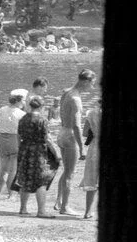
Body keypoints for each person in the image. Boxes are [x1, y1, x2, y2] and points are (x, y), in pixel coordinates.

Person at [55, 69, 96, 215]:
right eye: (91, 84)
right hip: (70, 136)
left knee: (66, 171)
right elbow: (77, 125)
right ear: (85, 81)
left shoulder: (67, 92)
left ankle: (58, 201)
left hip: (61, 133)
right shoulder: (76, 99)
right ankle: (64, 207)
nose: (92, 88)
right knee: (70, 174)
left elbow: (60, 112)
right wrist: (82, 147)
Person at [14, 95, 58, 218]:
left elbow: (18, 136)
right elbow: (47, 139)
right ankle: (41, 211)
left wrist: (21, 149)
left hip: (24, 149)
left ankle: (23, 208)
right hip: (38, 151)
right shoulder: (42, 120)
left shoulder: (23, 118)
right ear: (42, 107)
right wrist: (56, 153)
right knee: (41, 180)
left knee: (24, 178)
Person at [0, 89, 27, 199]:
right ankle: (11, 195)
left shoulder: (1, 109)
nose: (24, 102)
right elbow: (24, 132)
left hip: (2, 138)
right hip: (14, 139)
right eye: (23, 100)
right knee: (13, 170)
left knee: (2, 169)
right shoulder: (22, 114)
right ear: (19, 101)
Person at [80, 99, 101, 219]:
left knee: (92, 179)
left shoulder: (91, 113)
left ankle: (88, 211)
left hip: (95, 147)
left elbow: (84, 133)